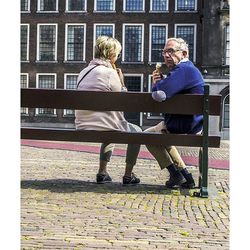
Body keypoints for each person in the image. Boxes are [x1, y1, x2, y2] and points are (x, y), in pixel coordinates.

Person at [75, 36, 141, 185]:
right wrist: (122, 82)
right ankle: (128, 175)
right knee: (136, 131)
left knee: (111, 126)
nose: (118, 57)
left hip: (83, 125)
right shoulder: (110, 73)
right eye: (117, 54)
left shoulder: (83, 72)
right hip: (103, 125)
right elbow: (123, 102)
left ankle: (102, 172)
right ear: (111, 55)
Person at [145, 37, 204, 188]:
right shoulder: (188, 70)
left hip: (184, 125)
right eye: (164, 52)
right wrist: (163, 82)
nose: (166, 55)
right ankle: (186, 176)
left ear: (184, 54)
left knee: (148, 136)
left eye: (170, 51)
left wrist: (157, 84)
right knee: (157, 135)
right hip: (191, 122)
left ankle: (176, 174)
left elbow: (159, 95)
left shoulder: (183, 70)